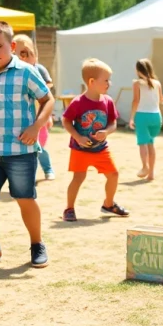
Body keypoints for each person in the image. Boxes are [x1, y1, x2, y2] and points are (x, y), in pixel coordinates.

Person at [0, 21, 54, 268]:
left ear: (13, 46)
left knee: (25, 198)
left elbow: (48, 99)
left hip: (21, 151)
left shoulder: (26, 71)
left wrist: (36, 126)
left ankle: (37, 243)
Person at [62, 58, 130, 221]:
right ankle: (69, 209)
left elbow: (113, 123)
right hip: (80, 149)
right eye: (106, 80)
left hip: (101, 149)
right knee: (78, 178)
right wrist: (77, 137)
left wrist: (106, 132)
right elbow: (66, 121)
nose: (109, 84)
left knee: (113, 175)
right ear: (92, 82)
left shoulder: (108, 101)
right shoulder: (78, 102)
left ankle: (108, 204)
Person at [13, 34, 56, 181]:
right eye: (19, 54)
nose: (23, 57)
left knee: (40, 146)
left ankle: (48, 168)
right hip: (22, 118)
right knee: (26, 147)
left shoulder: (38, 70)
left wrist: (47, 116)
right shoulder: (13, 71)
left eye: (27, 53)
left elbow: (47, 94)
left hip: (39, 117)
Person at [129, 58, 163, 181]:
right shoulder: (157, 83)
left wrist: (132, 118)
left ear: (138, 70)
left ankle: (144, 167)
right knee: (150, 143)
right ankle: (151, 173)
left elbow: (135, 100)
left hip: (142, 116)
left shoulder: (137, 83)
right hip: (156, 116)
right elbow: (161, 100)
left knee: (142, 143)